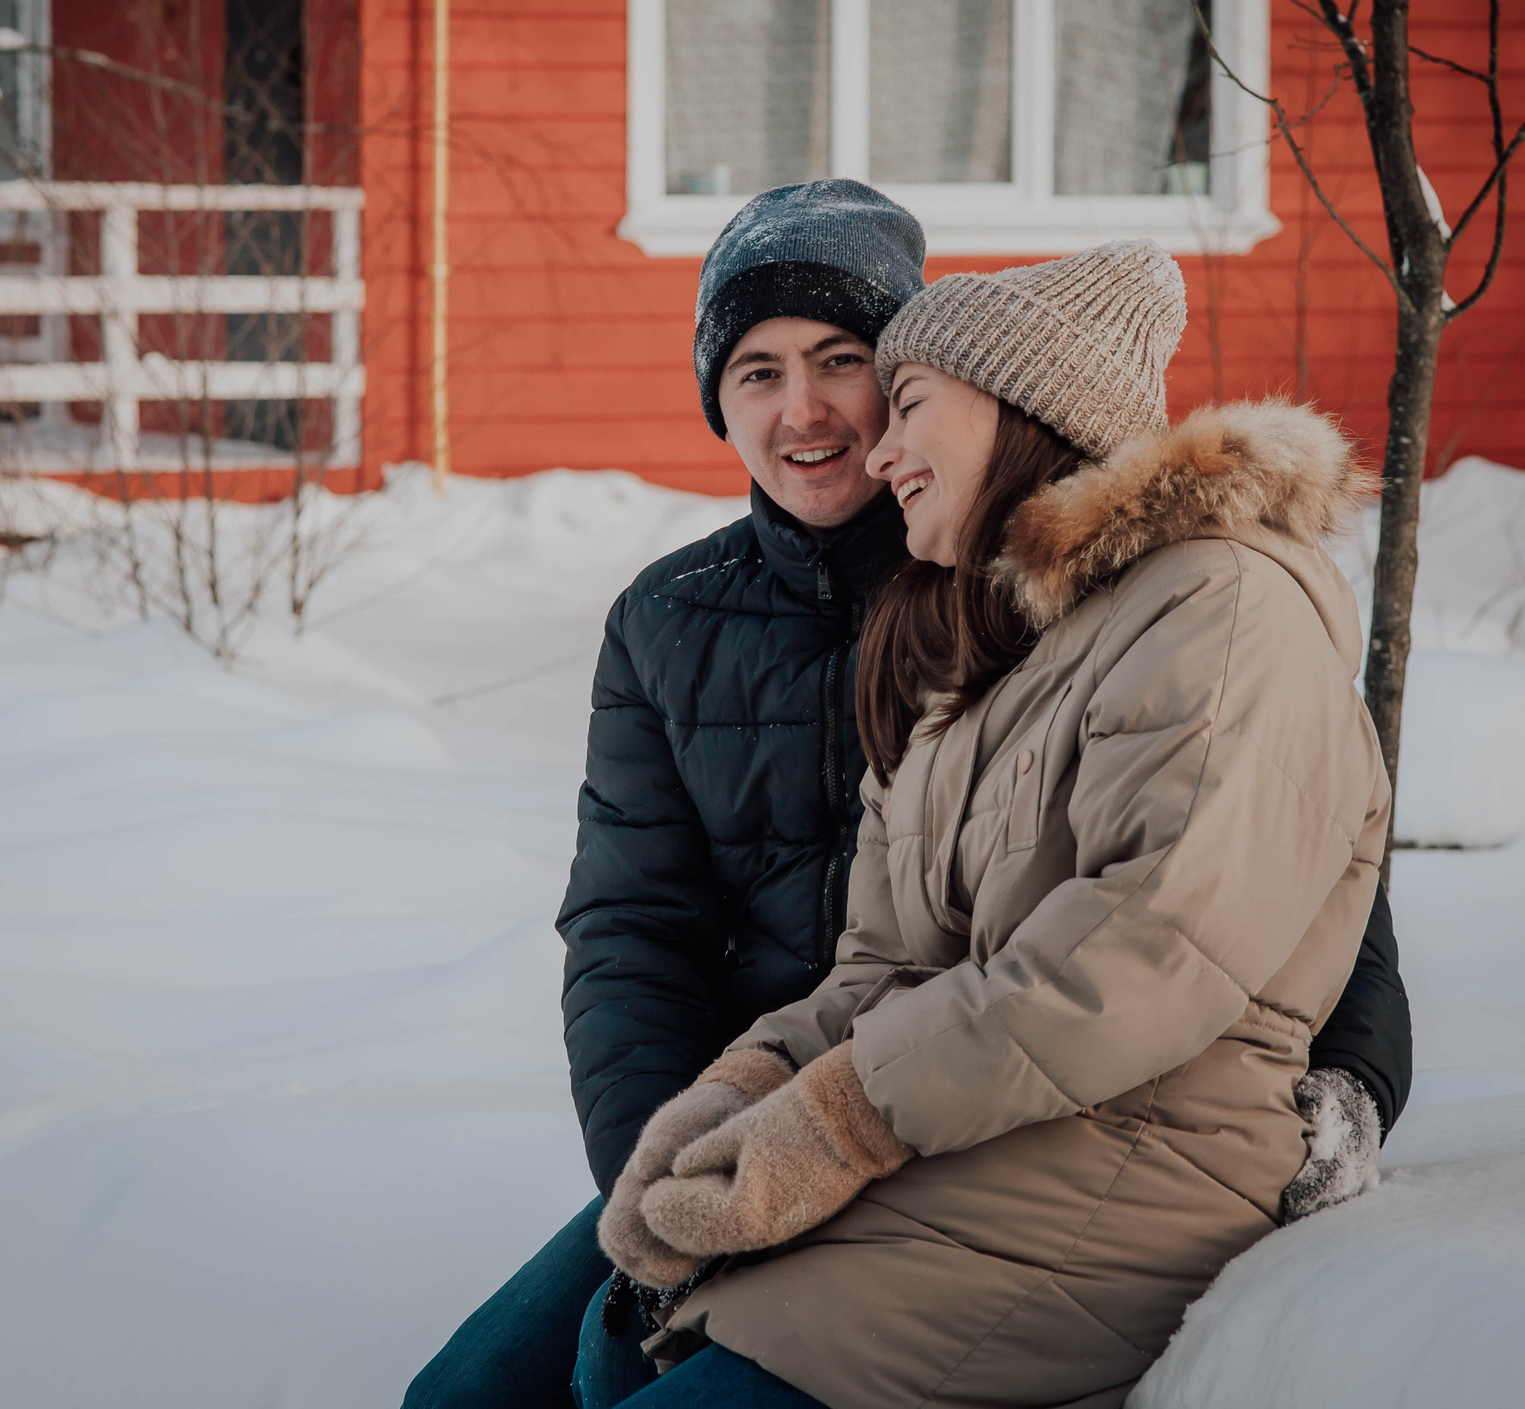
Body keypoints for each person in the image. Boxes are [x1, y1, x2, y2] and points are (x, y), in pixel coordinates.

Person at [400, 196, 1408, 1409]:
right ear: (719, 403)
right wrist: (684, 1148)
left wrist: (1355, 1078)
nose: (813, 414)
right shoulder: (758, 623)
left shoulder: (1083, 603)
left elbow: (1221, 910)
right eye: (756, 371)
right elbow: (640, 928)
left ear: (971, 396)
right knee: (496, 1385)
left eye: (847, 367)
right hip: (833, 1112)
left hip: (985, 1132)